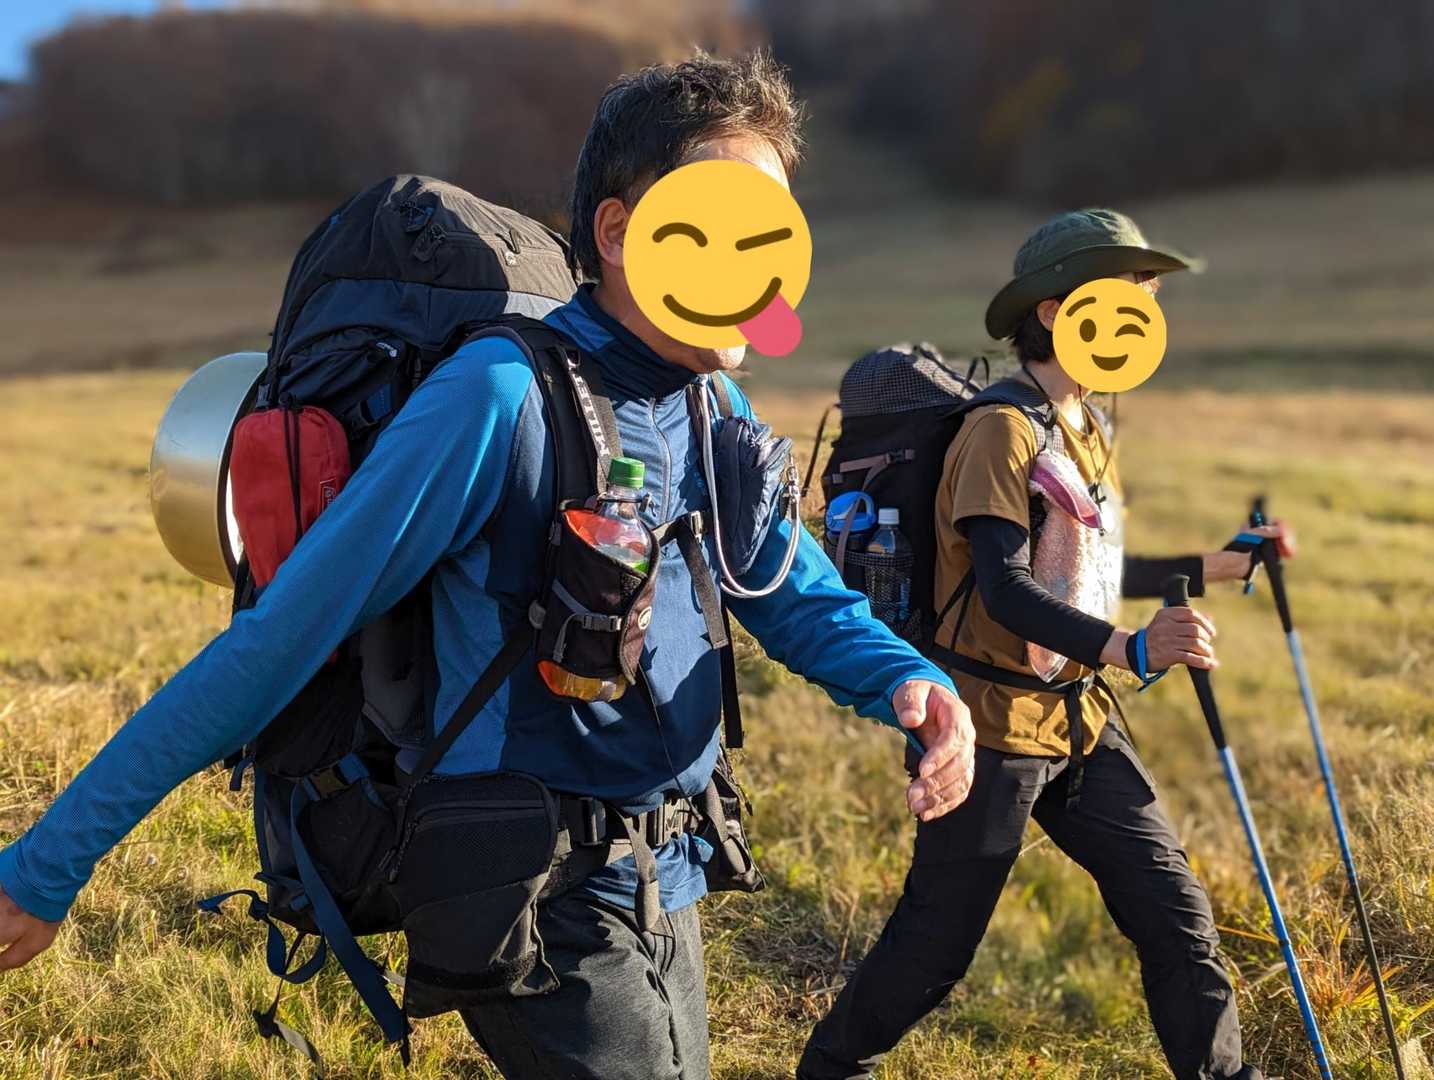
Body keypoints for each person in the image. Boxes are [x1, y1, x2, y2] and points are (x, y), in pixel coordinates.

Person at [0, 53, 975, 1079]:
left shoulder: (708, 403)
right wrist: (47, 866)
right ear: (618, 232)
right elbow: (278, 642)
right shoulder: (500, 397)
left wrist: (909, 681)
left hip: (673, 871)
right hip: (533, 895)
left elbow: (794, 593)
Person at [799, 209, 1297, 1080]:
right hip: (990, 727)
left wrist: (1220, 563)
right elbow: (1006, 588)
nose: (1146, 308)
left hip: (1079, 721)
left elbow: (1087, 571)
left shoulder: (1085, 423)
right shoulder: (1002, 429)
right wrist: (1133, 649)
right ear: (1059, 309)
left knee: (1175, 915)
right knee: (935, 948)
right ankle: (831, 1070)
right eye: (1128, 291)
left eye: (1147, 295)